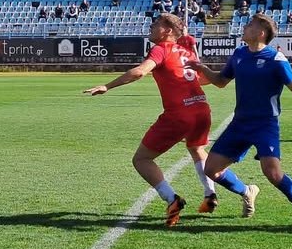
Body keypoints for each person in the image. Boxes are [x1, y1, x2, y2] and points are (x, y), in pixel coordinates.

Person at [187, 13, 292, 230]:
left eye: (249, 25)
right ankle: (246, 191)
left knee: (272, 173)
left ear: (260, 33)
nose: (244, 27)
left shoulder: (276, 59)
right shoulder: (239, 54)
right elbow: (221, 81)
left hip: (265, 124)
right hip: (240, 123)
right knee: (211, 169)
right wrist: (202, 69)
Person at [83, 13, 218, 227]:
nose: (151, 26)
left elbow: (139, 72)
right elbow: (203, 80)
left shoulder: (161, 49)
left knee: (141, 160)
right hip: (202, 108)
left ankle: (172, 199)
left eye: (156, 24)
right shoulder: (184, 51)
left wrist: (107, 86)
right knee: (197, 150)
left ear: (167, 31)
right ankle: (210, 193)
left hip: (179, 114)